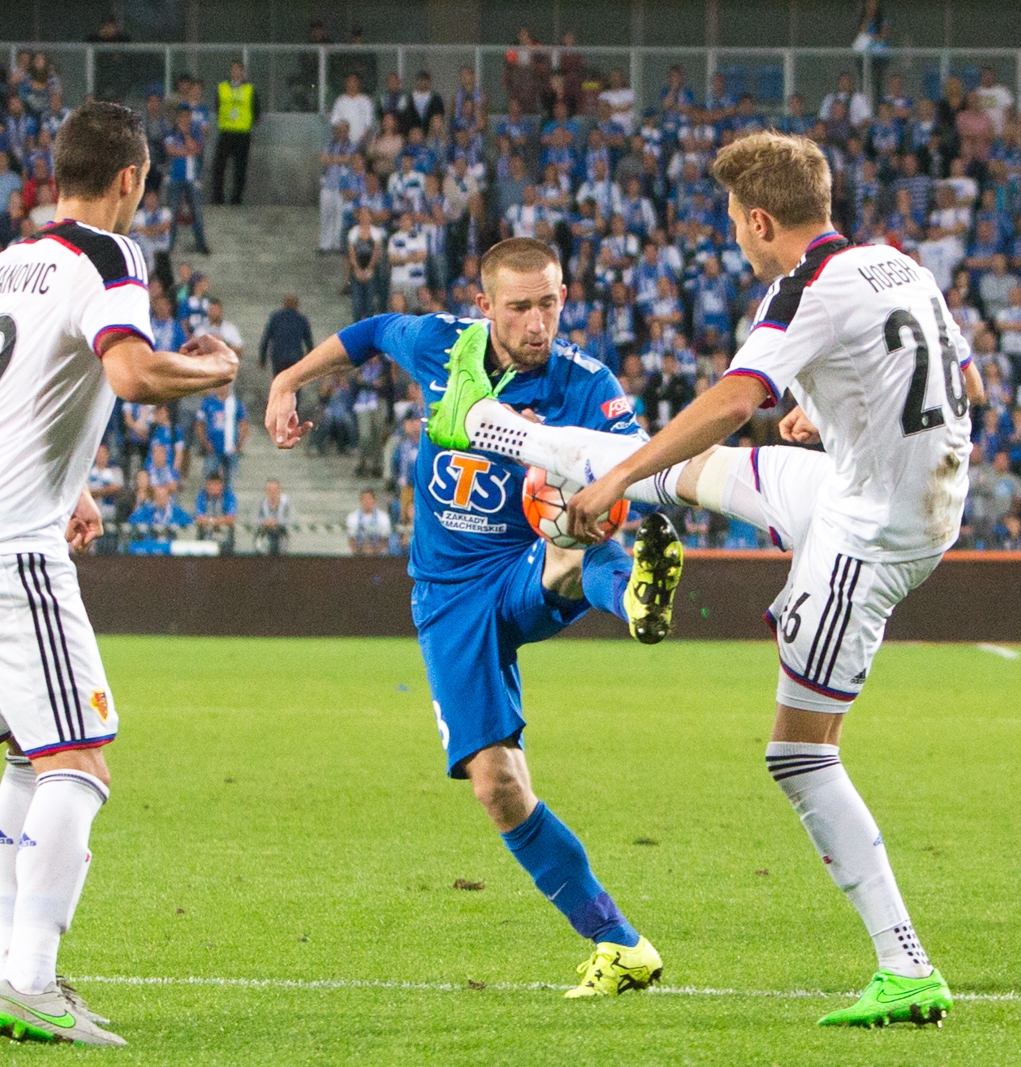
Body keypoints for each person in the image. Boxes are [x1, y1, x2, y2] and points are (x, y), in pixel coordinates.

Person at [428, 132, 984, 1026]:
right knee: (680, 472)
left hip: (870, 534)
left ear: (760, 220)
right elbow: (966, 384)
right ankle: (487, 424)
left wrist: (608, 486)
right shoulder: (896, 266)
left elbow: (732, 397)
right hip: (864, 488)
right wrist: (829, 416)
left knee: (799, 753)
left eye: (734, 220)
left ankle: (906, 964)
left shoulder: (799, 289)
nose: (734, 234)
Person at [266, 237, 685, 998]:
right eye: (520, 306)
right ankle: (620, 944)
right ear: (485, 304)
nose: (537, 322)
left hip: (525, 571)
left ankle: (633, 598)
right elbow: (367, 335)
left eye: (550, 303)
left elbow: (639, 460)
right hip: (448, 596)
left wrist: (611, 497)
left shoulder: (587, 383)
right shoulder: (441, 348)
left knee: (566, 539)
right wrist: (288, 379)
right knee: (497, 787)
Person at [0, 102, 238, 1047]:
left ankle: (21, 972)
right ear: (130, 180)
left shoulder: (5, 264)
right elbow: (129, 374)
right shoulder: (111, 256)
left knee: (27, 754)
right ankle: (32, 980)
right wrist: (215, 368)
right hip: (6, 546)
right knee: (80, 761)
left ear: (56, 174)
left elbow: (0, 394)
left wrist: (74, 483)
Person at [164, 107, 210, 255]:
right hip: (175, 178)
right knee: (173, 212)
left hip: (192, 179)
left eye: (188, 117)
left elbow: (196, 149)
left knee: (196, 211)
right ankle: (169, 245)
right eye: (182, 116)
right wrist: (186, 151)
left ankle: (201, 244)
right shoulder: (171, 132)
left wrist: (186, 135)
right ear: (177, 117)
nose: (185, 119)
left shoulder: (196, 132)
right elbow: (170, 150)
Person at [213, 61, 256, 206]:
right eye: (233, 69)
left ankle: (236, 199)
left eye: (238, 70)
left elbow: (256, 111)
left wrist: (247, 122)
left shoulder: (250, 89)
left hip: (242, 133)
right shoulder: (222, 87)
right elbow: (217, 106)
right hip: (226, 131)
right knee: (219, 166)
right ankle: (218, 198)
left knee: (240, 168)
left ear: (243, 72)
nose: (235, 72)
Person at [261, 295, 313, 373]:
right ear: (297, 305)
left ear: (284, 304)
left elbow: (266, 338)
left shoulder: (275, 318)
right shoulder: (302, 319)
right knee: (295, 381)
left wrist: (262, 358)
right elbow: (309, 341)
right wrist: (311, 359)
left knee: (279, 381)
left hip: (278, 357)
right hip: (296, 357)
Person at [346, 486, 391, 554]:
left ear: (374, 500)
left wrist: (376, 554)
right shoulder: (353, 517)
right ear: (360, 501)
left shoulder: (383, 517)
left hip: (378, 554)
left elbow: (384, 538)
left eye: (369, 499)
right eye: (364, 499)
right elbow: (351, 539)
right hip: (359, 553)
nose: (366, 502)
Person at [255, 477, 292, 555]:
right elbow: (253, 519)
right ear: (266, 491)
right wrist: (265, 522)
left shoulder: (286, 503)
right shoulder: (260, 503)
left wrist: (277, 521)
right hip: (265, 531)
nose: (272, 492)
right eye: (270, 490)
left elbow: (294, 519)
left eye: (275, 490)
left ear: (279, 491)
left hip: (281, 532)